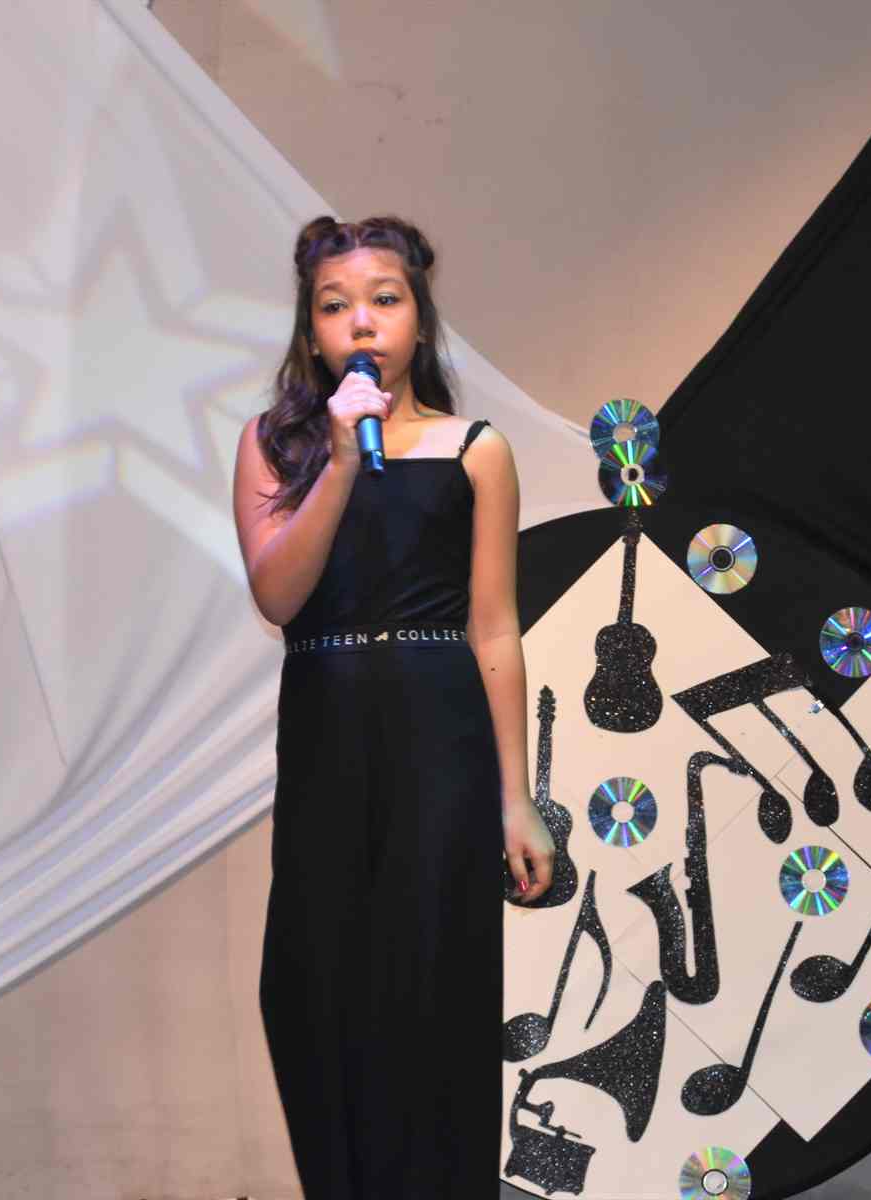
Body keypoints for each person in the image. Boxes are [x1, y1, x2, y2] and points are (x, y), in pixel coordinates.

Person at [233, 214, 555, 1199]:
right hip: (327, 731)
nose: (362, 322)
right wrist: (337, 461)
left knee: (433, 984)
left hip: (439, 735)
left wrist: (515, 799)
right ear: (311, 330)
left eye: (384, 299)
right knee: (312, 987)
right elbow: (278, 595)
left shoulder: (477, 451)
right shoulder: (274, 446)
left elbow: (494, 628)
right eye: (336, 306)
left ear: (419, 316)